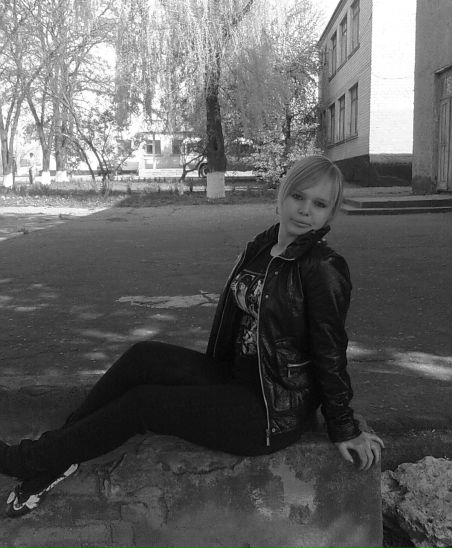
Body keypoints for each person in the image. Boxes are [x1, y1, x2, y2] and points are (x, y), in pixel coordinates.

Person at [0, 155, 384, 517]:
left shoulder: (324, 267)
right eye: (298, 197)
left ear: (330, 213)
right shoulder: (263, 247)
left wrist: (344, 427)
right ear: (282, 195)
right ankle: (58, 456)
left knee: (144, 404)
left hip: (270, 410)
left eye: (319, 204)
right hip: (235, 376)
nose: (305, 210)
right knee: (143, 356)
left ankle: (26, 460)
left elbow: (330, 351)